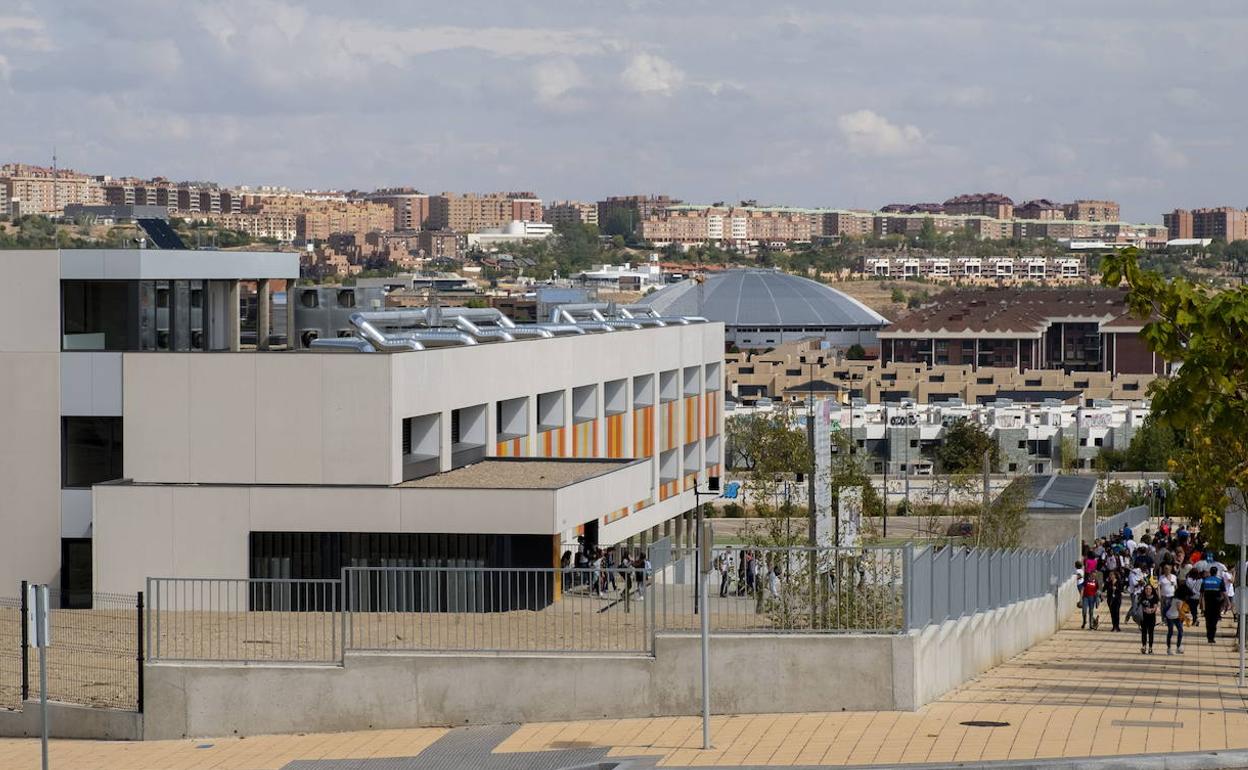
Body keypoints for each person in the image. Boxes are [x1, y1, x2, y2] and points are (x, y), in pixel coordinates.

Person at [1201, 567, 1226, 644]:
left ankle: (1209, 637)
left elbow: (1201, 594)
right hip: (1216, 604)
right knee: (1214, 621)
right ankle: (1212, 637)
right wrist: (1227, 602)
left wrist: (1201, 604)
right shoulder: (1220, 581)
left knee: (1208, 620)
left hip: (1207, 604)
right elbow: (1224, 593)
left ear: (1210, 572)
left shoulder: (1205, 581)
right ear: (1216, 572)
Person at [1138, 583, 1160, 654]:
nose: (1148, 590)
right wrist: (1144, 609)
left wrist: (1151, 610)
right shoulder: (1142, 597)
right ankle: (1144, 646)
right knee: (1144, 632)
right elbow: (1139, 606)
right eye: (1146, 589)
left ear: (1152, 590)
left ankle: (1150, 648)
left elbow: (1155, 606)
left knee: (1151, 633)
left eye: (1149, 589)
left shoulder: (1154, 597)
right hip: (1143, 617)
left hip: (1151, 617)